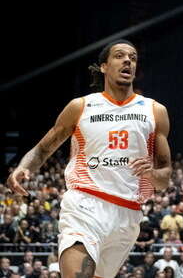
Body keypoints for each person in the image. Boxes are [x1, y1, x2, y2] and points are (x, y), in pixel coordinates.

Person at [5, 41, 172, 278]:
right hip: (85, 204)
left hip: (127, 214)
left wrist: (152, 174)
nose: (128, 61)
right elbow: (42, 150)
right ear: (104, 66)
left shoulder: (155, 111)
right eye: (120, 56)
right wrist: (23, 167)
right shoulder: (81, 107)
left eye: (133, 58)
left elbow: (165, 178)